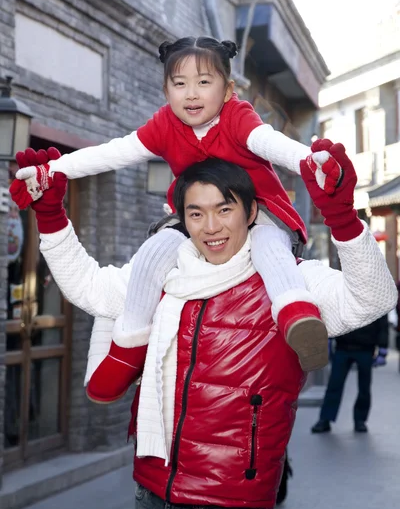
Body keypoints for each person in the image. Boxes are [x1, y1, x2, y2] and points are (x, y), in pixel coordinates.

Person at [9, 141, 397, 509]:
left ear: (250, 212)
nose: (211, 227)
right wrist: (52, 218)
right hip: (151, 493)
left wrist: (343, 220)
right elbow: (89, 289)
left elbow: (372, 299)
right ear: (181, 218)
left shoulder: (288, 281)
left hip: (229, 507)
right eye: (196, 214)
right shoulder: (163, 274)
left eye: (224, 209)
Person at [11, 36, 342, 403]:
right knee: (154, 251)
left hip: (259, 209)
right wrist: (52, 170)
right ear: (166, 90)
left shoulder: (237, 116)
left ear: (229, 89)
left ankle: (298, 318)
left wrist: (312, 162)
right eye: (179, 84)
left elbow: (269, 142)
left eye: (204, 82)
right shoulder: (165, 125)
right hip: (189, 217)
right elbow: (114, 152)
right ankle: (127, 348)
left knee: (268, 247)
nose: (192, 94)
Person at [311, 314, 389, 434]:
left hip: (366, 348)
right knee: (334, 384)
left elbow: (382, 320)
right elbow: (335, 314)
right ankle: (325, 419)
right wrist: (328, 338)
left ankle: (360, 420)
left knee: (364, 388)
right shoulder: (345, 294)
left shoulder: (375, 295)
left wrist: (383, 347)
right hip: (343, 347)